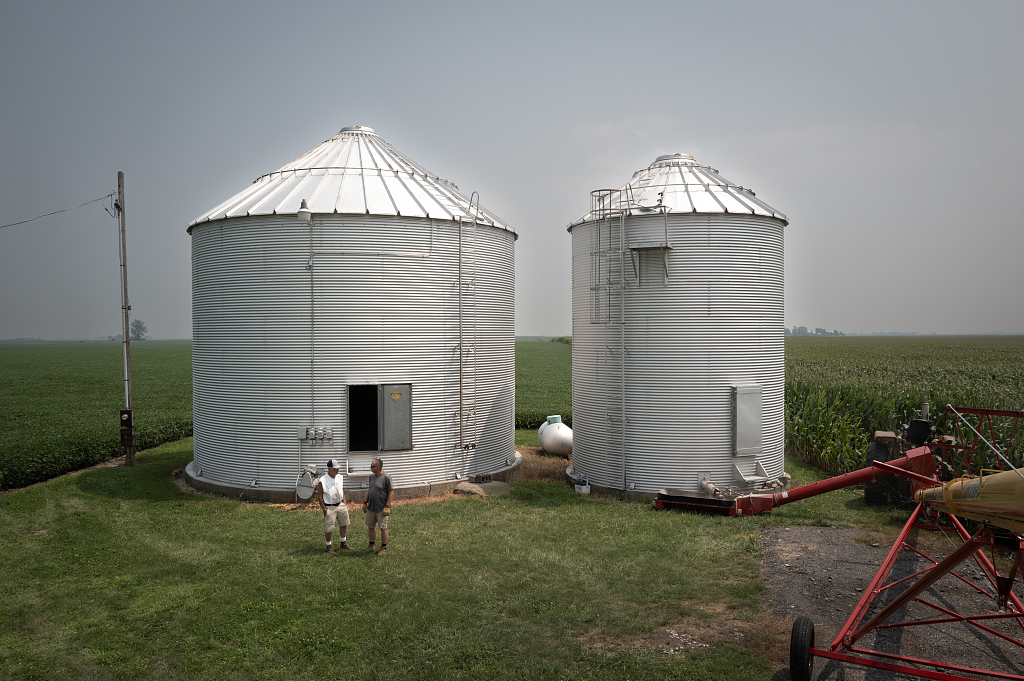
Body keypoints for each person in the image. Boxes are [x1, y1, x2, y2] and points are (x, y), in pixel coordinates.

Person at [318, 458, 351, 554]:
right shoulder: (322, 480)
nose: (337, 470)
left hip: (340, 505)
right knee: (329, 528)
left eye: (338, 468)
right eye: (335, 468)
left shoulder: (340, 477)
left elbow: (341, 490)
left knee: (343, 524)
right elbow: (320, 496)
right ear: (329, 469)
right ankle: (328, 546)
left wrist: (344, 503)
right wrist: (324, 508)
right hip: (330, 506)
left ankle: (343, 542)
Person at [362, 458, 394, 556]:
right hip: (371, 507)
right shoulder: (371, 477)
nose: (370, 467)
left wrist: (387, 506)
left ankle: (383, 547)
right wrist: (365, 502)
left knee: (383, 527)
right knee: (370, 526)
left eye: (372, 466)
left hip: (381, 508)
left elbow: (391, 492)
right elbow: (370, 490)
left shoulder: (386, 477)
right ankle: (371, 546)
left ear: (378, 467)